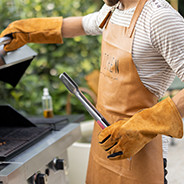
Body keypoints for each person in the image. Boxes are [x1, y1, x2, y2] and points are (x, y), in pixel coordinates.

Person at [0, 0, 184, 183]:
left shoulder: (159, 18)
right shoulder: (113, 8)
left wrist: (142, 126)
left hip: (139, 151)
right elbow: (83, 24)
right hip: (104, 147)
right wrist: (29, 31)